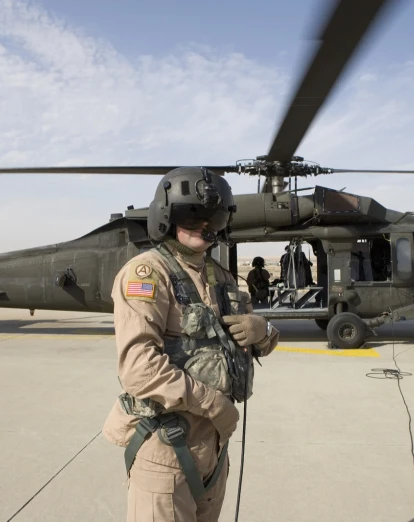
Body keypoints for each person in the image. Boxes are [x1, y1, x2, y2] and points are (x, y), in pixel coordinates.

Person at [102, 167, 280, 522]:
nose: (204, 226)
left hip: (213, 451)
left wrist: (262, 330)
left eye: (213, 217)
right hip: (166, 449)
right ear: (167, 218)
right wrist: (215, 405)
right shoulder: (149, 273)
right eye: (191, 215)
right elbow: (139, 370)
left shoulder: (223, 279)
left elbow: (262, 343)